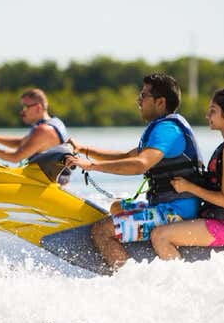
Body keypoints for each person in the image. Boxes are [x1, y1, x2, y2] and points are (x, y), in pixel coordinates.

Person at [65, 74, 204, 269]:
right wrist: (85, 151)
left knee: (101, 231)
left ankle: (127, 277)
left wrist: (91, 166)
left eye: (144, 95)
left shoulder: (167, 130)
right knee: (117, 208)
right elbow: (126, 156)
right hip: (170, 207)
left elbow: (140, 164)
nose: (139, 100)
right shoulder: (161, 128)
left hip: (176, 213)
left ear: (160, 102)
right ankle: (134, 256)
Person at [151, 78, 224, 260]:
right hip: (223, 221)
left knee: (160, 235)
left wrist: (189, 187)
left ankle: (178, 282)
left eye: (213, 111)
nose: (207, 115)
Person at [0, 88, 71, 184]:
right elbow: (20, 143)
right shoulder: (53, 123)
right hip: (52, 180)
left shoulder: (43, 130)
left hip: (50, 183)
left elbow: (15, 158)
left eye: (25, 107)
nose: (22, 111)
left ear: (38, 108)